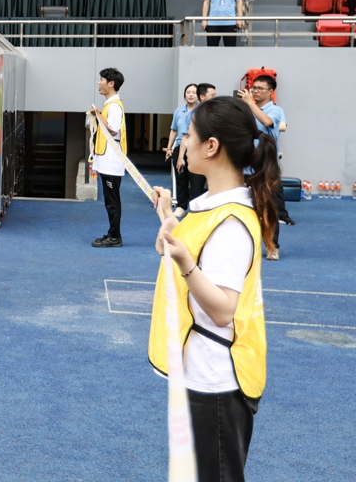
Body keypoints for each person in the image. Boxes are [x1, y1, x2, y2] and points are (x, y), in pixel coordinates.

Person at [149, 96, 276, 482]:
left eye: (189, 134)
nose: (183, 142)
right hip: (200, 371)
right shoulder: (209, 206)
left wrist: (185, 262)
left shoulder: (231, 222)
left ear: (211, 146)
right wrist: (170, 220)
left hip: (216, 379)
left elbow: (223, 309)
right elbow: (185, 250)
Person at [238, 75, 286, 259]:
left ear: (271, 92)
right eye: (253, 87)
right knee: (244, 206)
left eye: (260, 88)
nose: (255, 91)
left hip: (266, 166)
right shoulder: (246, 109)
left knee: (268, 207)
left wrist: (250, 104)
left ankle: (272, 246)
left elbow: (266, 122)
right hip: (245, 165)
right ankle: (247, 245)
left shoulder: (275, 110)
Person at [89, 67, 126, 248]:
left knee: (112, 201)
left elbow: (113, 129)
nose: (99, 83)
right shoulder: (110, 104)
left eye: (101, 79)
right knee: (110, 200)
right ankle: (113, 233)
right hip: (107, 160)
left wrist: (98, 114)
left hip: (112, 161)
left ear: (111, 83)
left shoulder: (114, 106)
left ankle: (115, 236)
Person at [166, 84, 198, 217]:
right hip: (180, 148)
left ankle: (196, 208)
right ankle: (181, 206)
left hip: (195, 148)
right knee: (181, 178)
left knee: (196, 178)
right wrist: (169, 147)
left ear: (198, 96)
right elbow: (174, 130)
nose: (191, 95)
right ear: (185, 94)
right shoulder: (179, 111)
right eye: (188, 92)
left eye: (194, 92)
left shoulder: (200, 111)